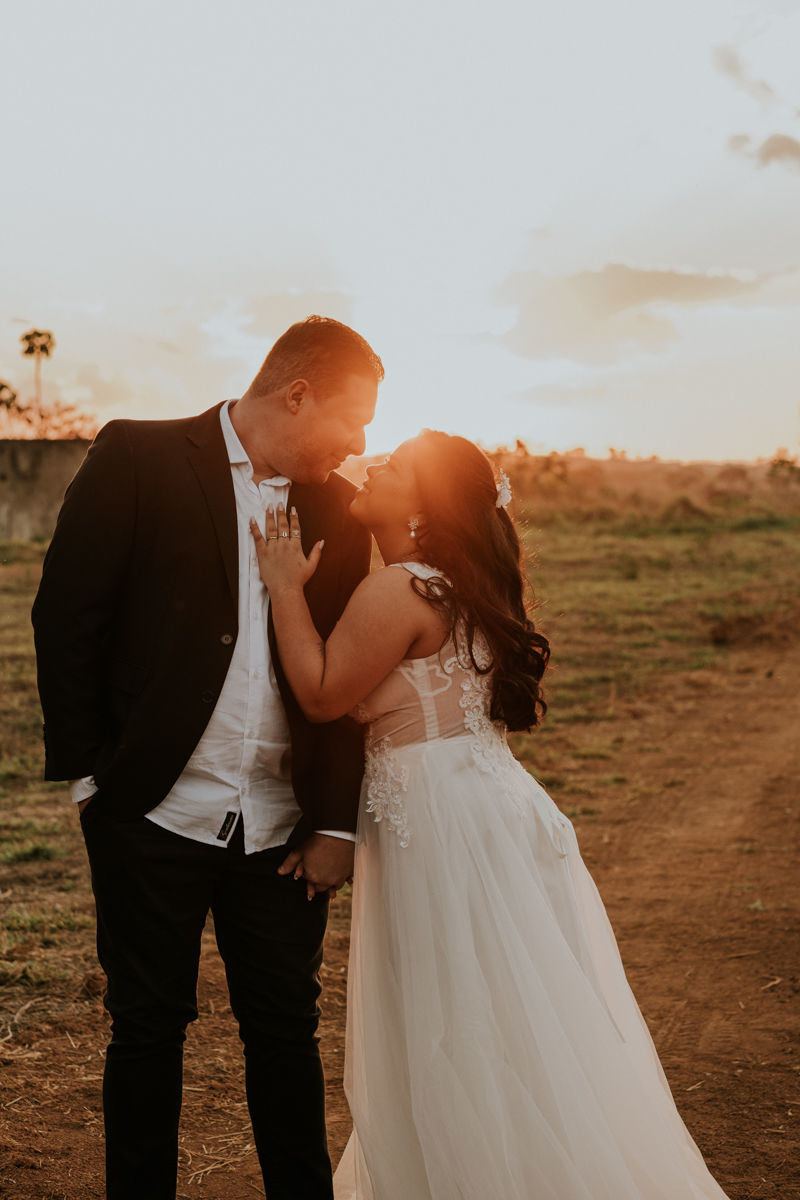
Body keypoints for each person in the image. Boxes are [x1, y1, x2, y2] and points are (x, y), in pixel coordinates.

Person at [250, 429, 732, 1200]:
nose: (373, 466)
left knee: (456, 1020)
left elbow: (320, 693)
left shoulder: (401, 587)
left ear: (425, 505)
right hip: (487, 807)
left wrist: (281, 586)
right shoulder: (454, 583)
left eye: (396, 466)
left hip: (442, 824)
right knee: (507, 1012)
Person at [31, 315, 383, 1200]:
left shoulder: (339, 510)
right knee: (146, 1029)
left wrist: (336, 821)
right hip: (152, 813)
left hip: (284, 831)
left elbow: (346, 685)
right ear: (297, 393)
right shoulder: (138, 458)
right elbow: (68, 617)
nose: (360, 442)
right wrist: (93, 786)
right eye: (354, 417)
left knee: (286, 1034)